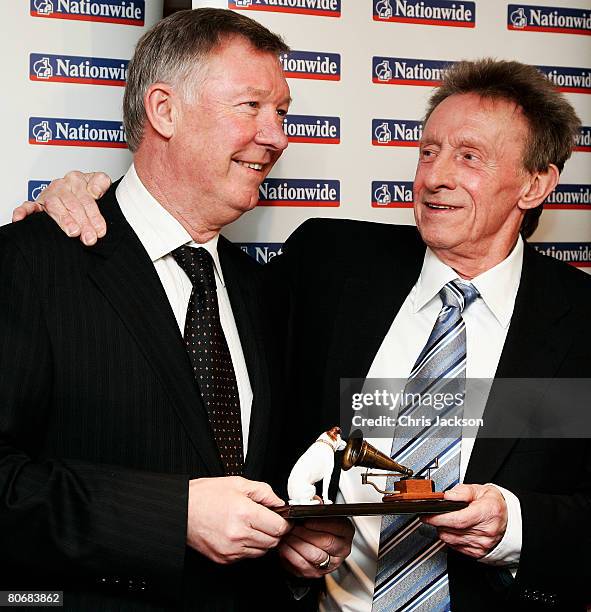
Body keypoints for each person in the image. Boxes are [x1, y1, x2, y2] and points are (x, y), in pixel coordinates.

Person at [16, 60, 591, 610]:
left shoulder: (579, 321)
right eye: (428, 151)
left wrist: (517, 528)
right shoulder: (330, 264)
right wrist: (89, 202)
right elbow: (176, 296)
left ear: (536, 184)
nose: (434, 177)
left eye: (470, 157)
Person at [2, 9, 352, 611]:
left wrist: (291, 539)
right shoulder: (32, 265)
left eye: (283, 111)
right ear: (164, 111)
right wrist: (173, 515)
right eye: (251, 106)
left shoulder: (261, 289)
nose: (277, 135)